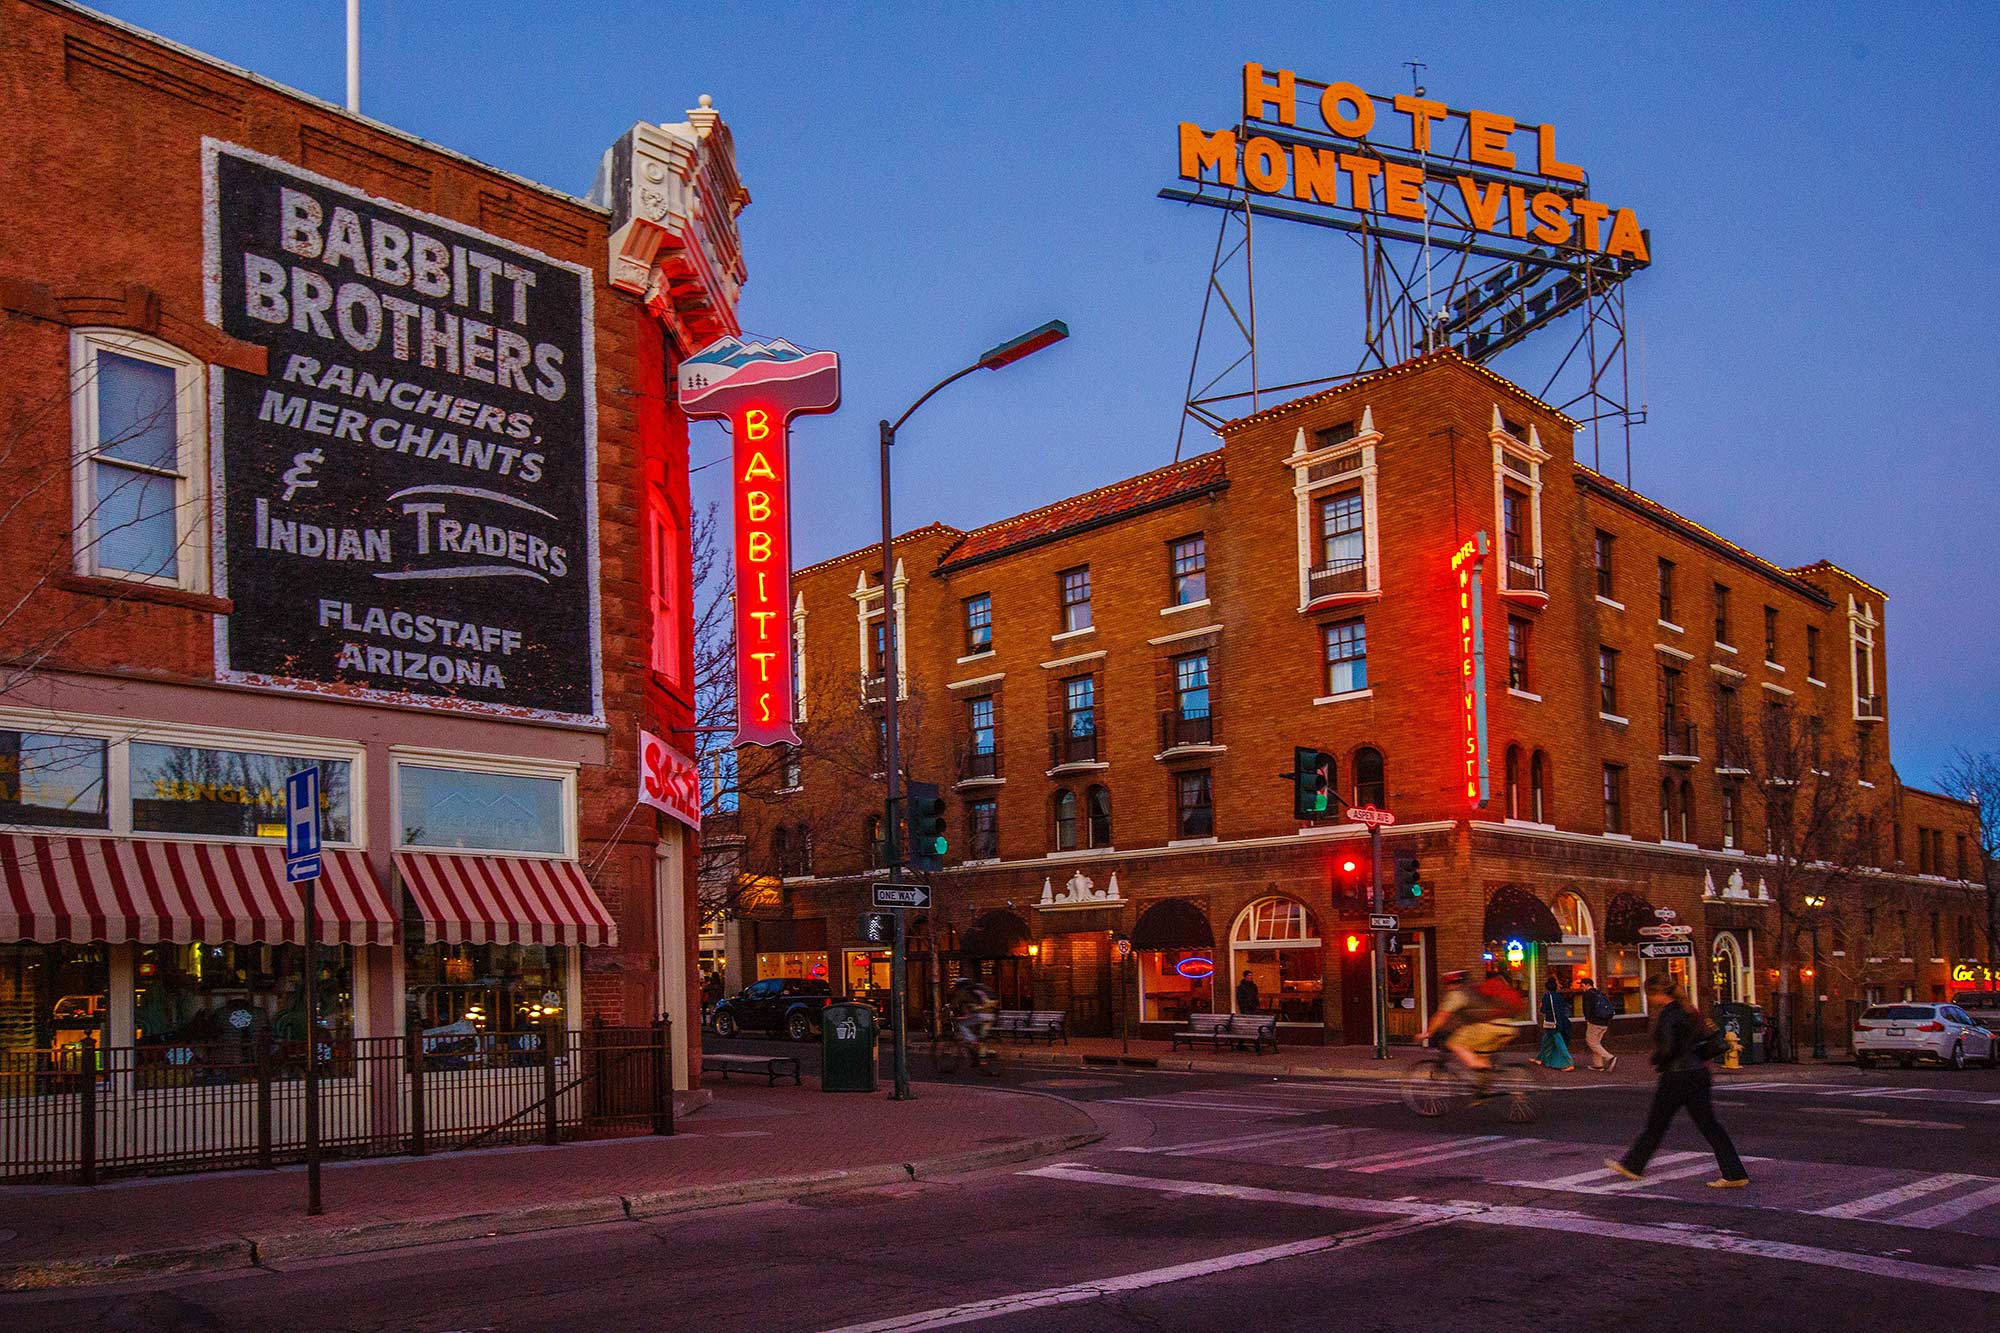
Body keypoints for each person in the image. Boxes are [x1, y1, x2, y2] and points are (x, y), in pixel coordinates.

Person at [1607, 972, 1749, 1188]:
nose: (1650, 1000)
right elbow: (1711, 1039)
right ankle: (1734, 1173)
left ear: (1657, 994)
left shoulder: (1669, 1015)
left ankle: (1634, 1165)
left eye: (1650, 996)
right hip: (1698, 1074)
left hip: (1676, 1076)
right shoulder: (1690, 1011)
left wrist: (1656, 1059)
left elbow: (1667, 1048)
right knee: (1710, 1125)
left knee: (1656, 1124)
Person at [1421, 968, 1525, 1096]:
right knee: (1480, 1055)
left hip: (1488, 1027)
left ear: (1451, 983)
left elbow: (1441, 1016)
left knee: (1454, 1043)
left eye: (1447, 984)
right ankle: (1483, 1090)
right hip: (1507, 1027)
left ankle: (1482, 1067)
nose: (1447, 987)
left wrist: (1427, 1033)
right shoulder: (1475, 992)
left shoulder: (1457, 994)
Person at [949, 976, 999, 1070]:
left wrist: (948, 1009)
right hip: (991, 1015)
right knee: (981, 1037)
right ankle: (981, 1057)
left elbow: (954, 1003)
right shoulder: (979, 989)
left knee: (962, 1024)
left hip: (980, 1015)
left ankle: (973, 1042)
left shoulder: (964, 991)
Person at [1537, 978, 1575, 1070]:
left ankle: (1568, 1063)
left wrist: (1541, 1006)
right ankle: (1540, 1058)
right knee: (1546, 1041)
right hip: (1560, 1021)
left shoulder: (1547, 996)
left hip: (1552, 1023)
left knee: (1559, 1042)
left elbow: (1543, 1010)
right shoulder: (1559, 996)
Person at [1580, 979, 1618, 1071]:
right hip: (1604, 1022)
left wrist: (1588, 1019)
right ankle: (1598, 1064)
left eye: (1582, 985)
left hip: (1595, 1022)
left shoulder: (1588, 994)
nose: (1581, 988)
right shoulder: (1599, 993)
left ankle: (1609, 1057)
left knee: (1591, 1042)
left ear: (1587, 985)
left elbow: (1587, 1009)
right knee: (1596, 1043)